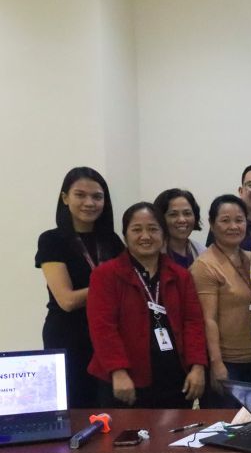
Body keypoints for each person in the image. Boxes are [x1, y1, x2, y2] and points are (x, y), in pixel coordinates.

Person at [87, 203, 207, 408]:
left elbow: (193, 323)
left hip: (174, 379)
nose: (145, 236)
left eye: (153, 229)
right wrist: (118, 371)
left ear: (163, 234)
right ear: (125, 235)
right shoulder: (105, 275)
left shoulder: (180, 275)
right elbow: (103, 328)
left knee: (175, 438)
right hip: (126, 382)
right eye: (136, 230)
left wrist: (197, 367)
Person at [35, 167, 124, 408]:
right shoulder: (51, 240)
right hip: (69, 336)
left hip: (107, 336)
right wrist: (109, 286)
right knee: (74, 411)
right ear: (65, 198)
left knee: (109, 410)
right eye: (80, 195)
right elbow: (67, 300)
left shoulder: (112, 240)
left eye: (97, 196)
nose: (89, 203)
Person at [191, 195, 251, 407]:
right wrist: (217, 364)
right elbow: (208, 320)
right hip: (228, 362)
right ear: (212, 225)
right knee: (228, 428)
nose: (233, 226)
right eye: (225, 220)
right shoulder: (205, 266)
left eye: (239, 220)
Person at [154, 188, 203, 268]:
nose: (182, 220)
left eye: (187, 213)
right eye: (173, 214)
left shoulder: (201, 252)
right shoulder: (152, 253)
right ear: (160, 218)